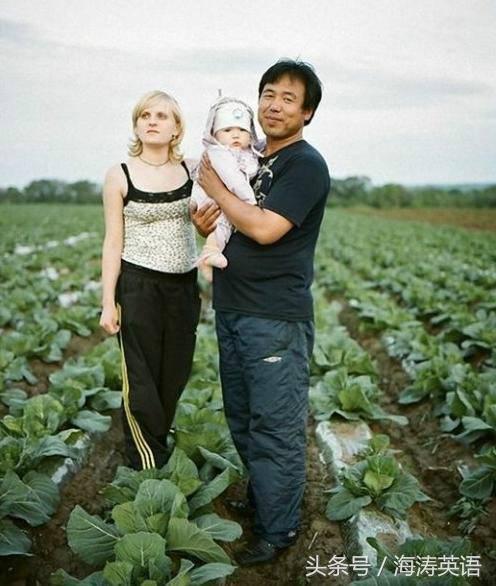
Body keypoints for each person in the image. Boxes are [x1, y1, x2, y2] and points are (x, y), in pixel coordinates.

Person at [195, 59, 330, 566]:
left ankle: (279, 531)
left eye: (288, 98)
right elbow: (227, 224)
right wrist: (207, 218)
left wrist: (219, 194)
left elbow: (267, 228)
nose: (274, 105)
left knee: (275, 425)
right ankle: (264, 503)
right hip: (232, 308)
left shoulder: (304, 164)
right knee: (245, 418)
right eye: (268, 94)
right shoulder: (250, 158)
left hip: (274, 318)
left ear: (307, 112)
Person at [99, 90, 203, 470]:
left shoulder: (194, 170)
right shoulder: (120, 174)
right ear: (137, 124)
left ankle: (157, 449)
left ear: (177, 128)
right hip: (138, 287)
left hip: (183, 289)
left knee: (172, 376)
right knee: (141, 382)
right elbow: (112, 242)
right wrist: (108, 302)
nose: (153, 121)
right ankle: (149, 469)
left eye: (162, 115)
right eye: (145, 115)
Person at [190, 97, 259, 282]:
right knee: (221, 223)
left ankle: (210, 254)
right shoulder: (219, 153)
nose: (236, 135)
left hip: (223, 199)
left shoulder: (246, 154)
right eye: (228, 130)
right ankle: (209, 254)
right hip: (210, 198)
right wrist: (250, 203)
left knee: (224, 225)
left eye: (242, 130)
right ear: (215, 134)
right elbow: (235, 181)